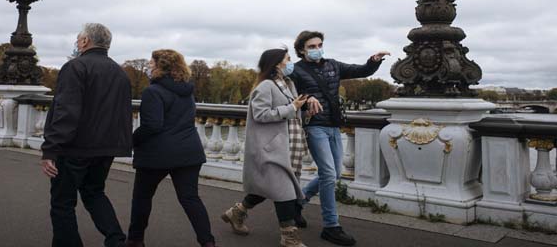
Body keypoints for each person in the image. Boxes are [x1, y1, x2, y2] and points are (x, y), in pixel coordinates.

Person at [290, 30, 390, 246]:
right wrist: (308, 99)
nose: (317, 50)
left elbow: (360, 70)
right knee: (327, 174)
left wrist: (373, 61)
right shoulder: (296, 71)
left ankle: (298, 203)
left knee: (334, 173)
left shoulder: (333, 65)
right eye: (311, 47)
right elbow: (288, 96)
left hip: (334, 125)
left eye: (319, 45)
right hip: (314, 126)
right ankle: (331, 226)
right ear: (301, 50)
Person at [41, 23, 132, 247]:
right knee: (94, 193)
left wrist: (51, 148)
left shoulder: (75, 67)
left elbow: (66, 111)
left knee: (63, 203)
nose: (77, 42)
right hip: (106, 147)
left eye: (78, 39)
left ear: (84, 42)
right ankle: (116, 241)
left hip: (75, 147)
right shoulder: (120, 73)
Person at [125, 49, 216, 247]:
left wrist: (131, 140)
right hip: (188, 152)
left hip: (157, 154)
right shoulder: (187, 91)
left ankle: (135, 240)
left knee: (142, 197)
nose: (149, 65)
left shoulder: (153, 92)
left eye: (152, 62)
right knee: (190, 199)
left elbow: (152, 125)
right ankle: (208, 242)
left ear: (160, 66)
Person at [221, 48, 310, 247]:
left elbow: (291, 111)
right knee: (284, 191)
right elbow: (260, 114)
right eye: (288, 59)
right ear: (277, 63)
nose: (291, 62)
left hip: (283, 146)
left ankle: (236, 213)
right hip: (269, 149)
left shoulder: (288, 84)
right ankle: (289, 237)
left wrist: (302, 106)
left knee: (267, 188)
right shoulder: (265, 86)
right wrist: (292, 108)